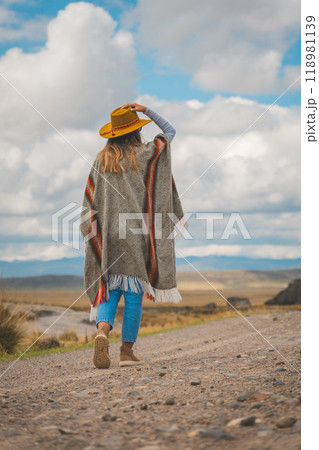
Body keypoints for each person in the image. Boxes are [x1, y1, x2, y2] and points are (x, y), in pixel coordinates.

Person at [79, 103, 184, 369]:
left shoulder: (102, 160)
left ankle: (102, 332)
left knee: (110, 288)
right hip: (137, 231)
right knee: (135, 292)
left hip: (109, 234)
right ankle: (126, 352)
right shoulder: (149, 152)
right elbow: (170, 131)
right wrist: (147, 110)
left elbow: (90, 199)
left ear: (113, 133)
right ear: (136, 130)